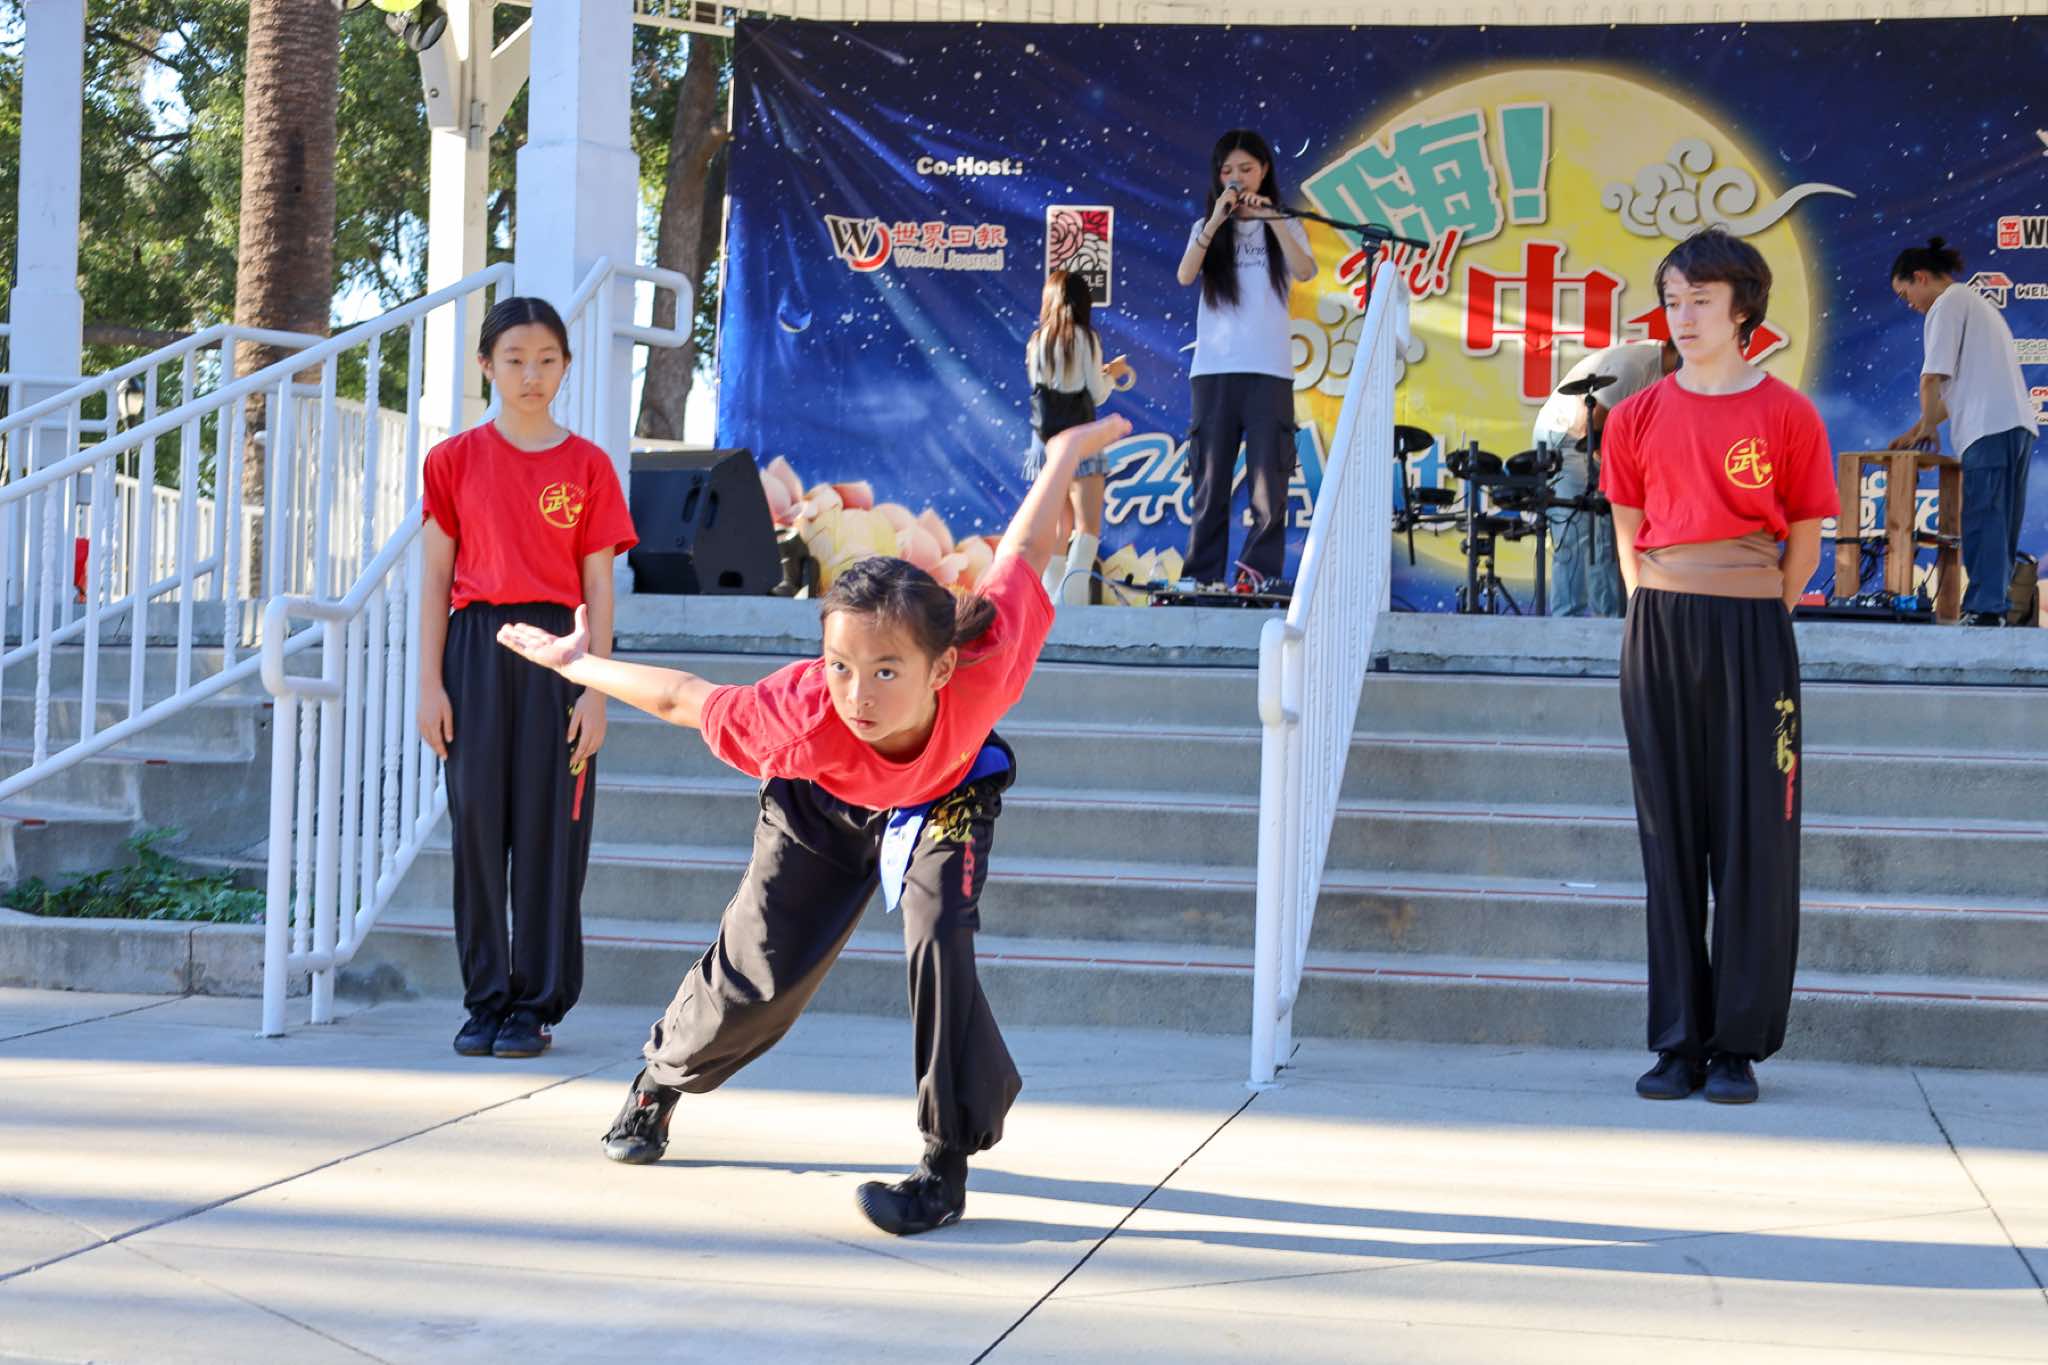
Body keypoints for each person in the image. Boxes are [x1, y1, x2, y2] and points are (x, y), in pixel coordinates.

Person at [497, 412, 1137, 1236]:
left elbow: (1028, 546)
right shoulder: (803, 715)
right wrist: (577, 662)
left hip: (945, 794)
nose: (859, 696)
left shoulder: (986, 662)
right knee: (757, 974)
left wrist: (1064, 455)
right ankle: (661, 1075)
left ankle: (944, 1165)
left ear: (942, 666)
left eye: (886, 671)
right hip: (821, 802)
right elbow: (684, 698)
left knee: (940, 929)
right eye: (840, 667)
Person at [1600, 228, 1838, 1106]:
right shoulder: (1635, 415)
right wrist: (1652, 612)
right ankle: (1677, 1040)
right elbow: (1628, 532)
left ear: (1744, 310)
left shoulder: (1788, 413)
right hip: (1660, 626)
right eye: (1673, 299)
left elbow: (1804, 536)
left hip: (1753, 630)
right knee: (1668, 839)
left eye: (1701, 299)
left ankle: (1737, 1045)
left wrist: (1757, 612)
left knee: (1754, 840)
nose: (1684, 315)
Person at [417, 296, 638, 1060]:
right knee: (478, 827)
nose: (531, 374)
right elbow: (435, 578)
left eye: (546, 360)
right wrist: (429, 684)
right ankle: (485, 1000)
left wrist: (598, 689)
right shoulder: (452, 461)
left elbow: (600, 586)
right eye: (514, 359)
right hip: (475, 650)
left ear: (566, 366)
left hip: (562, 655)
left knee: (550, 833)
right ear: (486, 365)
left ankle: (534, 1005)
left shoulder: (589, 466)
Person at [1173, 128, 1316, 591]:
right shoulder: (1207, 227)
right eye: (1227, 171)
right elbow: (1185, 274)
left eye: (1246, 169)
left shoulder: (1285, 223)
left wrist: (1273, 219)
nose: (1236, 178)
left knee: (1268, 482)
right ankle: (1202, 576)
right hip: (1214, 372)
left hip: (1269, 372)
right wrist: (1216, 221)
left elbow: (1306, 270)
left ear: (1264, 170)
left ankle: (1256, 573)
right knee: (1210, 481)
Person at [1888, 236, 2039, 625]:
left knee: (1983, 519)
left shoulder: (1947, 304)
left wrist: (1929, 429)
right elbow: (1954, 390)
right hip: (2015, 427)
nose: (1910, 304)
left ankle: (1984, 610)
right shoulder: (1977, 304)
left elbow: (1931, 378)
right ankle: (1996, 608)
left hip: (1987, 429)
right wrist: (1918, 427)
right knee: (2001, 524)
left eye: (1906, 294)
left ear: (1921, 277)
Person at [1529, 340, 1679, 617]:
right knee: (1575, 532)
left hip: (1597, 444)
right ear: (1677, 350)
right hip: (1566, 437)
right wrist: (1615, 470)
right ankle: (1568, 622)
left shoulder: (1665, 375)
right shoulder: (1636, 365)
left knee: (1606, 538)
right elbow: (1591, 422)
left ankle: (1609, 621)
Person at [1023, 270, 1133, 606]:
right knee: (1087, 528)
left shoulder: (1037, 341)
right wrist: (1111, 374)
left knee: (1058, 529)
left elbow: (1040, 388)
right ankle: (1072, 603)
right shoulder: (1086, 339)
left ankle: (1049, 603)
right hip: (1082, 440)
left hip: (1046, 442)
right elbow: (1096, 394)